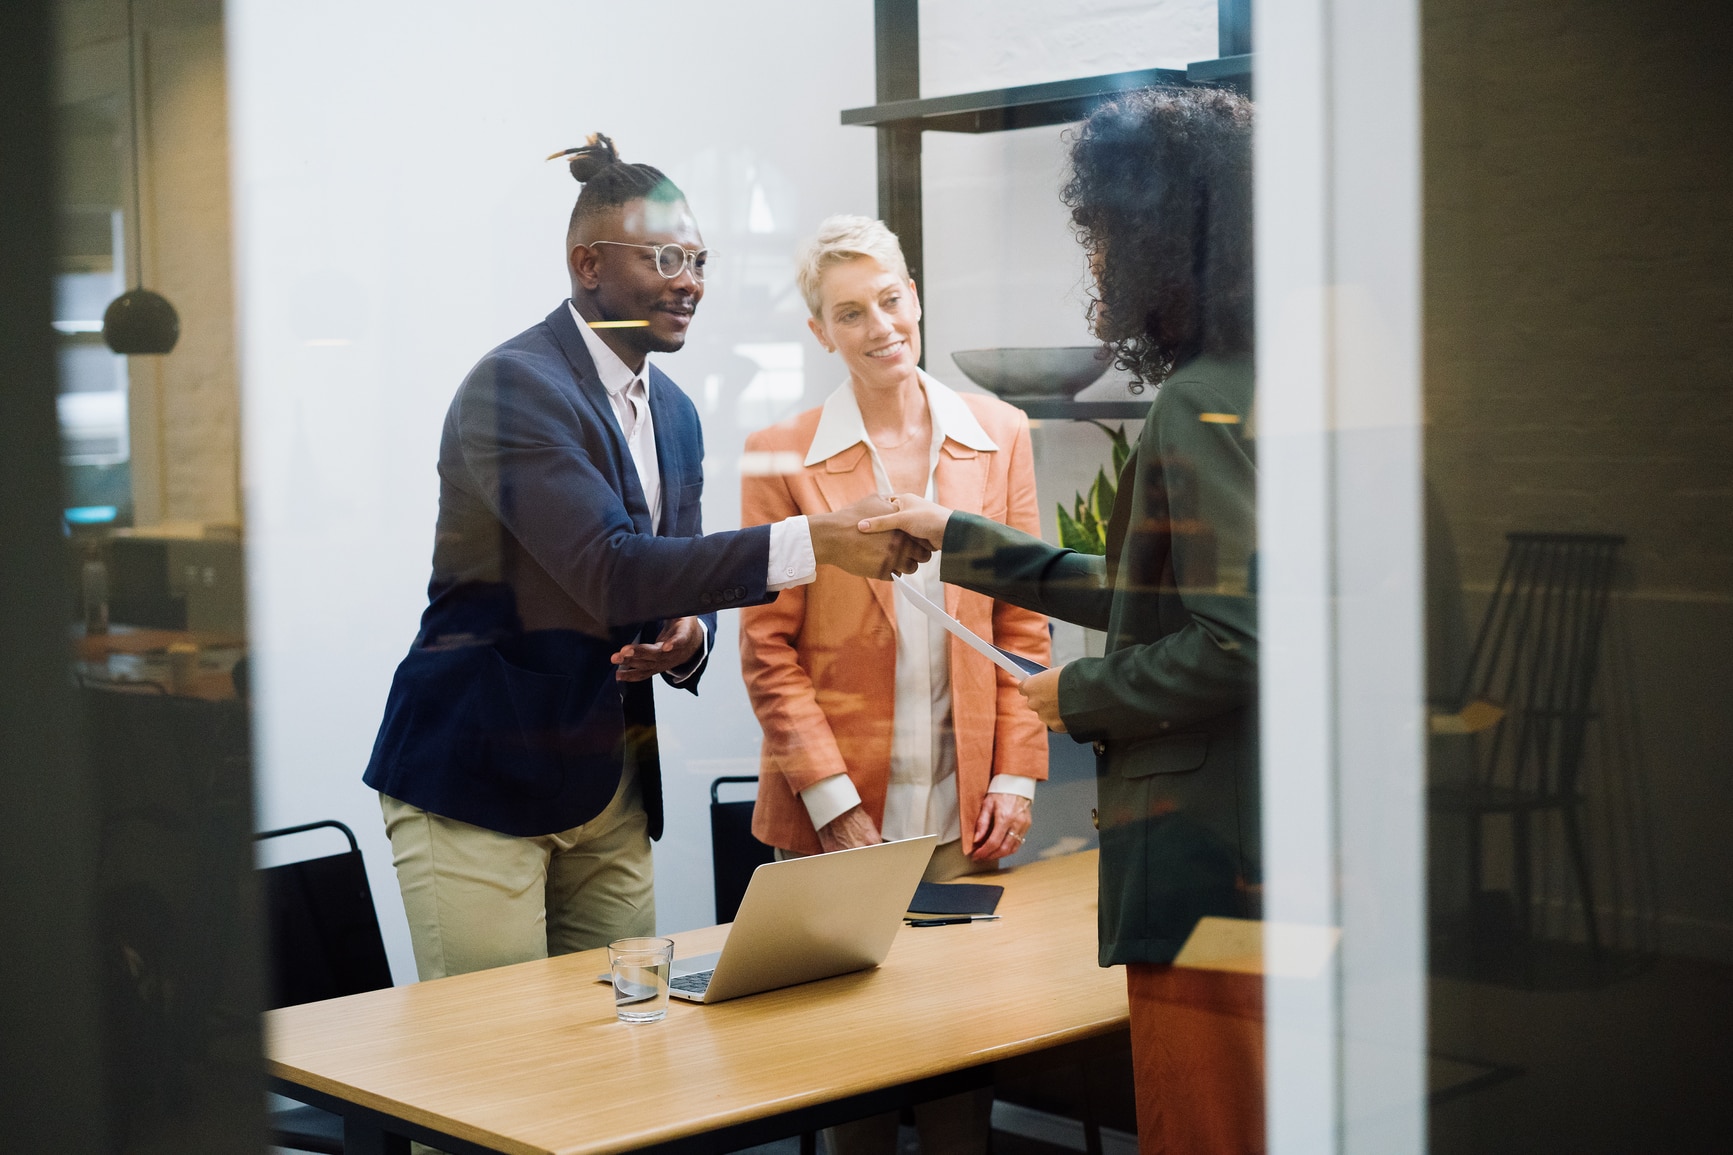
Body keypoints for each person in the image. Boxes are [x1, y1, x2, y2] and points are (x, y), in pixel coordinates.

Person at [362, 135, 930, 982]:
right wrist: (818, 540)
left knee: (619, 1055)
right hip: (478, 778)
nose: (690, 280)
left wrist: (690, 636)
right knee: (490, 1073)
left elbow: (672, 574)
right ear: (587, 263)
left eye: (698, 259)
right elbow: (610, 567)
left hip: (609, 783)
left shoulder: (672, 410)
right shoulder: (514, 387)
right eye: (665, 256)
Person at [863, 89, 1262, 1155]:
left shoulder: (1192, 405)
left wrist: (1072, 694)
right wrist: (956, 532)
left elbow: (1240, 639)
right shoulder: (1261, 385)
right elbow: (1155, 592)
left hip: (1201, 851)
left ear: (1153, 241)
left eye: (1098, 237)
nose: (1093, 266)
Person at [738, 211, 1049, 1153]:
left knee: (963, 1056)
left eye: (890, 299)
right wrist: (832, 804)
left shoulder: (1000, 432)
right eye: (850, 313)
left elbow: (1024, 619)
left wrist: (1015, 776)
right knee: (852, 1075)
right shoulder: (777, 453)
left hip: (967, 812)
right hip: (843, 817)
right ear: (818, 332)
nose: (880, 326)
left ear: (913, 294)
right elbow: (767, 649)